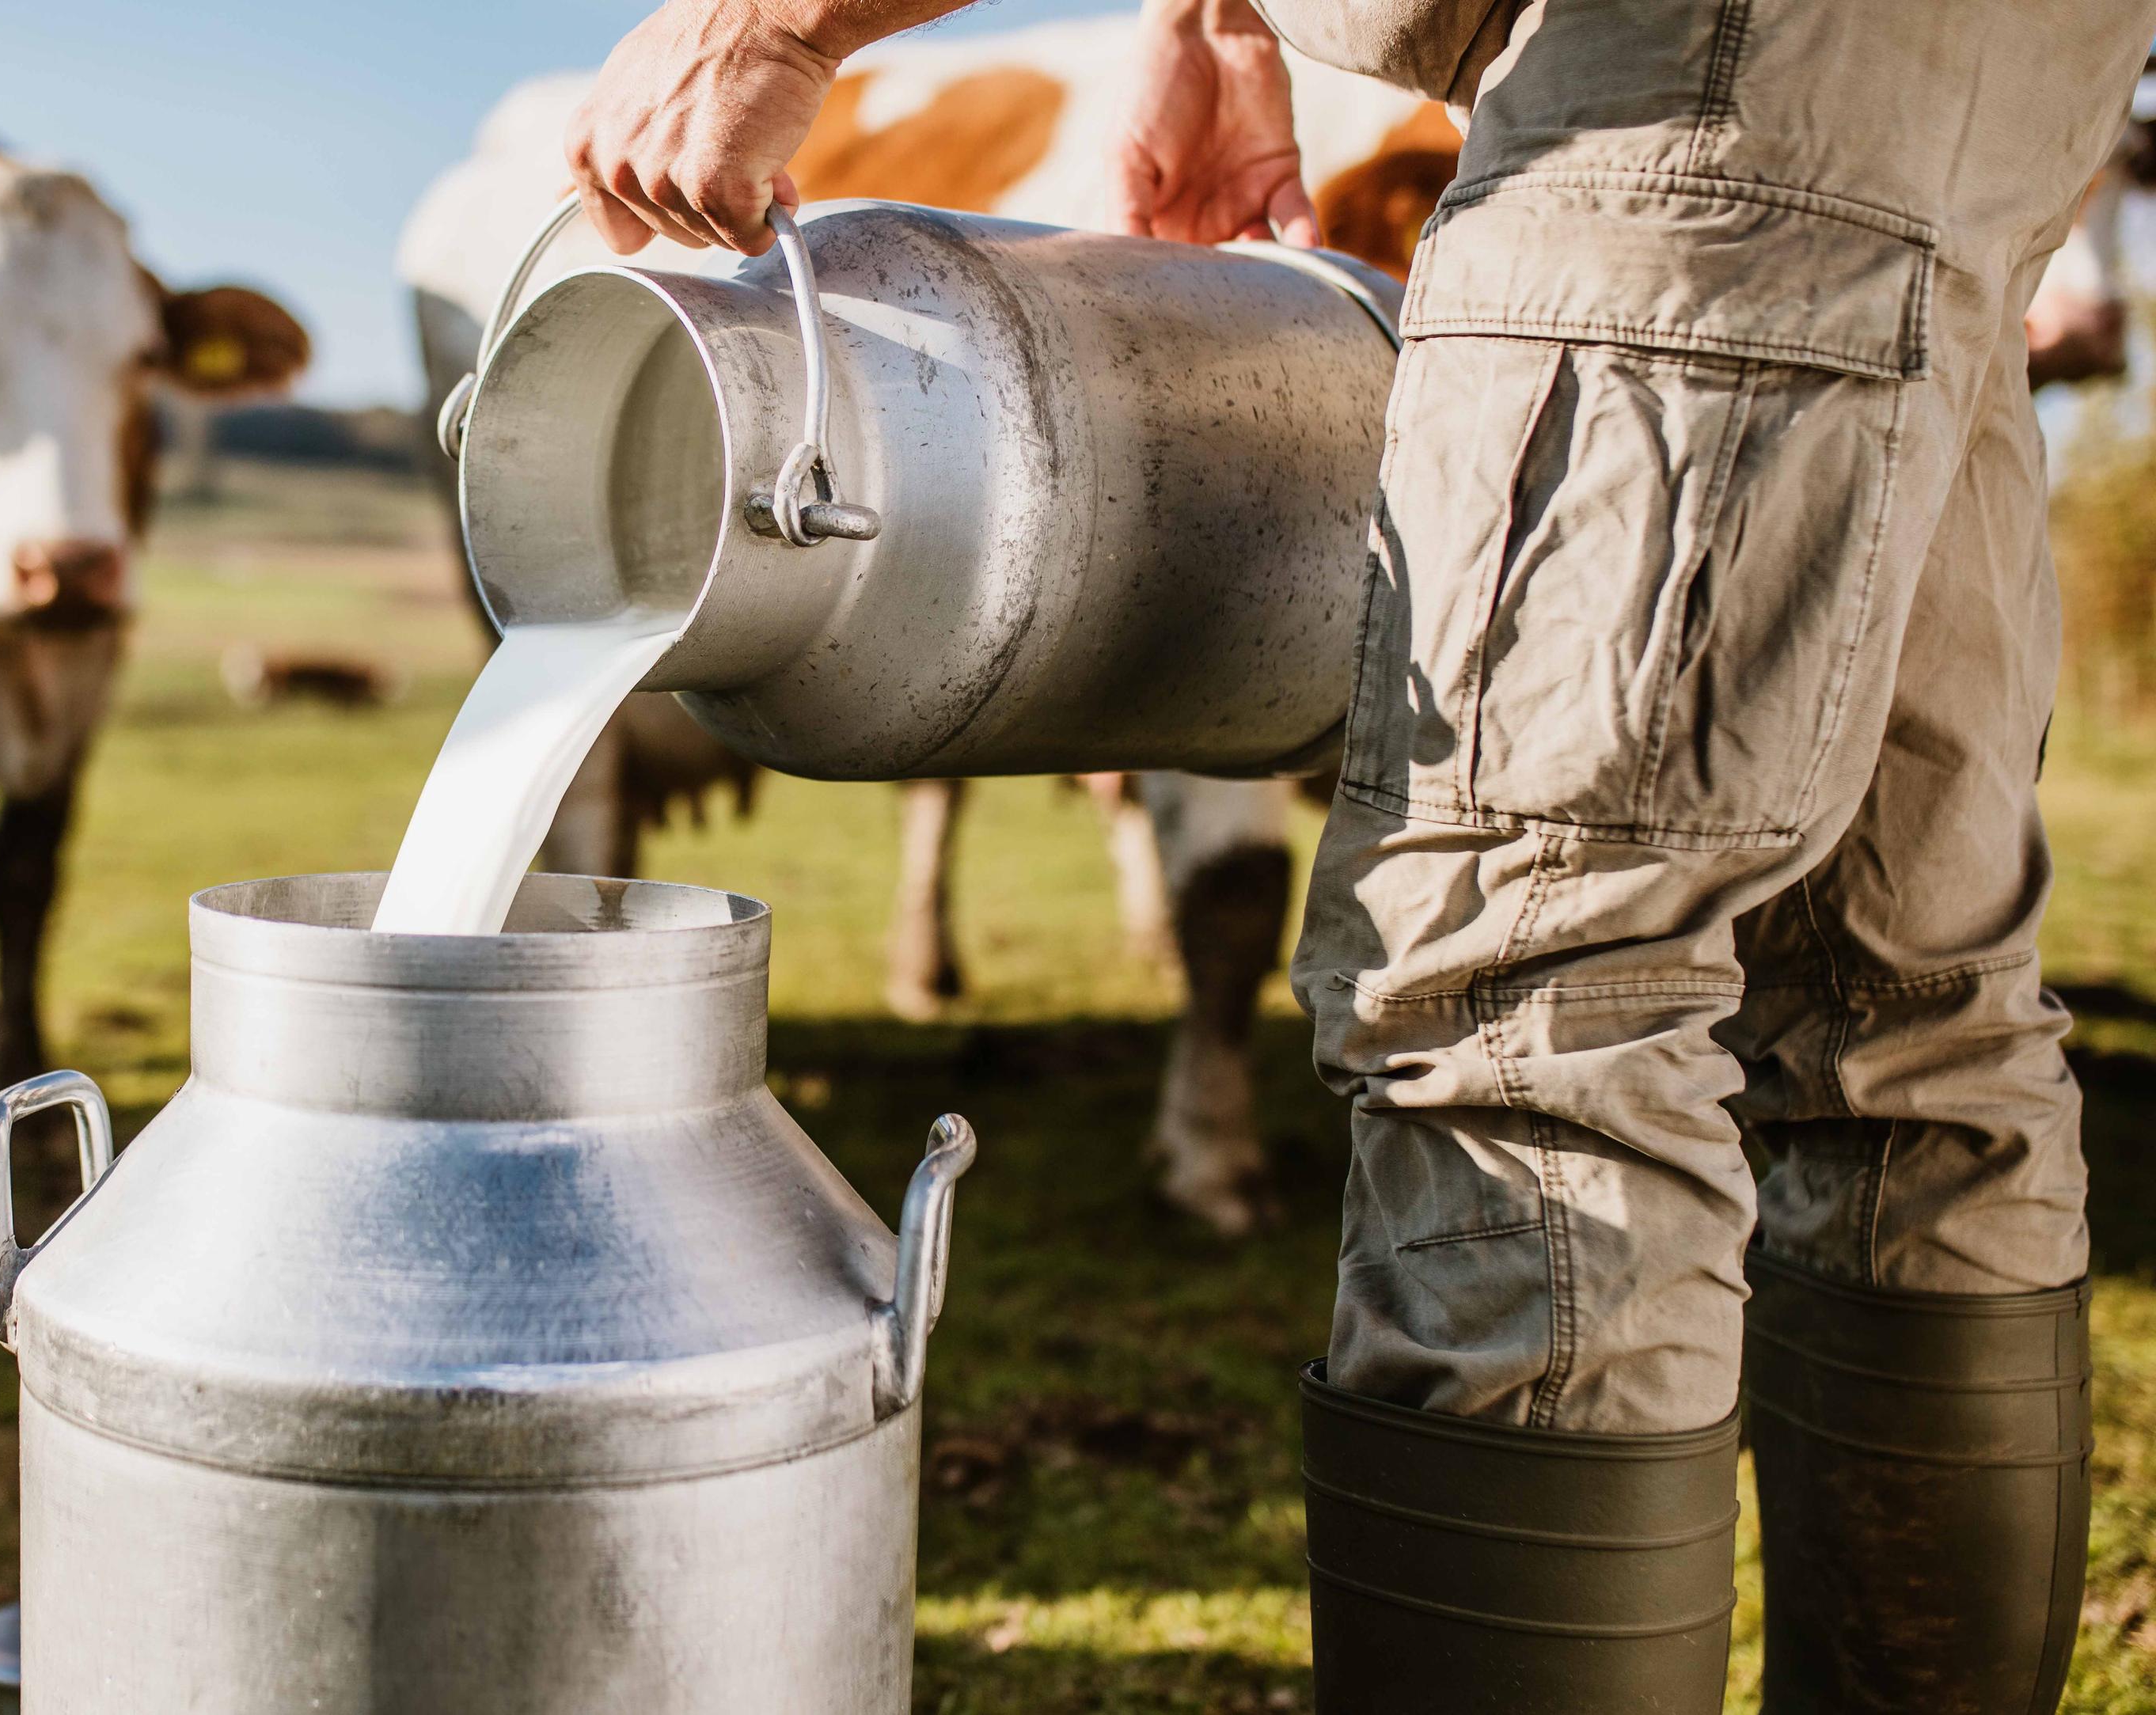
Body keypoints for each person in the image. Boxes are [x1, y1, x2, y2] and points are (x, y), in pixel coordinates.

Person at [566, 1, 2156, 1709]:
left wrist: (781, 18)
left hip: (1685, 74)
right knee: (1895, 1017)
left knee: (1530, 1009)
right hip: (1981, 80)